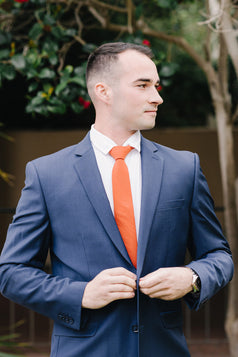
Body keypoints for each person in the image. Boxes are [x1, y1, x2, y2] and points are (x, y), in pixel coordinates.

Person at [0, 42, 234, 357]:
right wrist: (81, 294)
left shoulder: (184, 169)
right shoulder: (47, 174)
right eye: (143, 85)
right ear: (103, 91)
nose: (157, 97)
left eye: (157, 86)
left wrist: (192, 277)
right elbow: (12, 272)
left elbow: (219, 256)